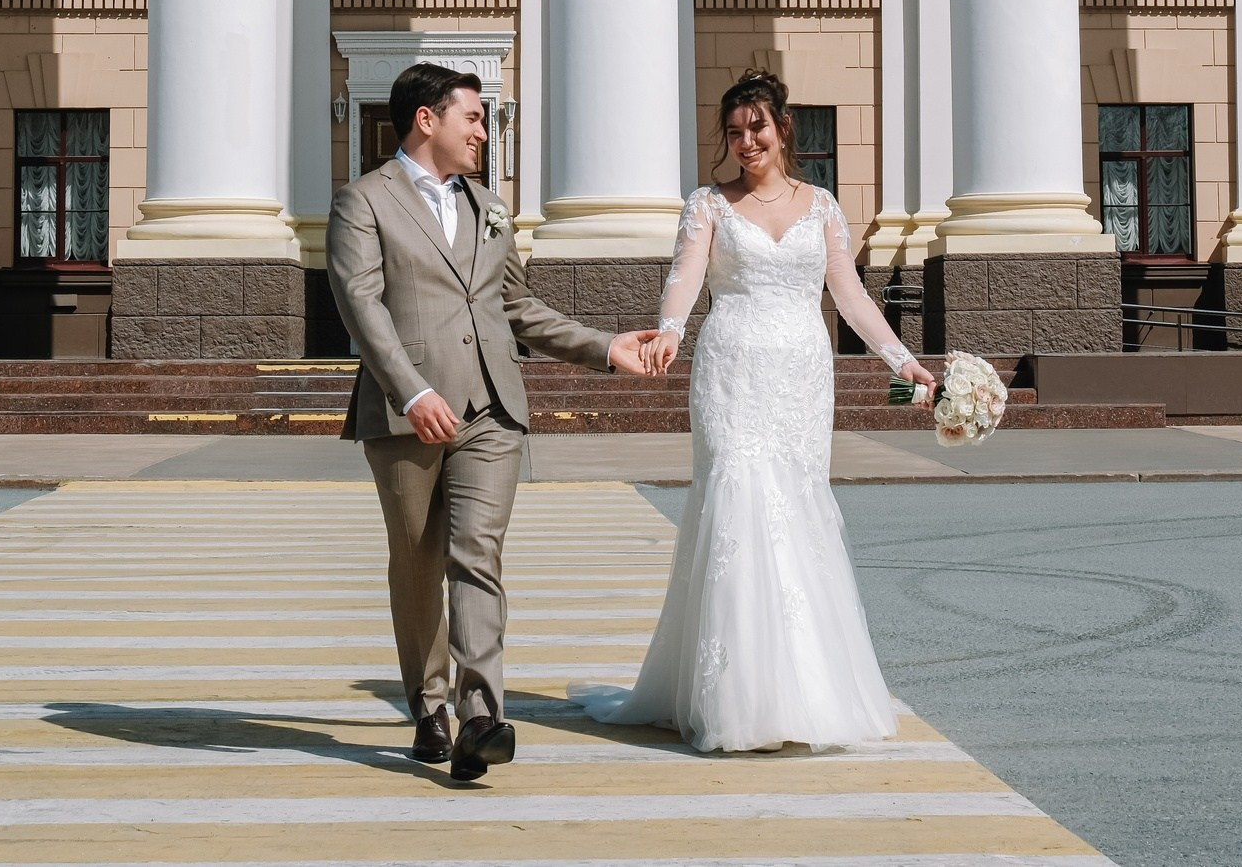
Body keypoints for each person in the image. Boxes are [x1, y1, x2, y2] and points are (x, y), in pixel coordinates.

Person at [582, 68, 939, 752]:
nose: (747, 141)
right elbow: (685, 275)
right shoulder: (708, 204)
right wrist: (670, 330)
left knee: (797, 506)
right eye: (736, 131)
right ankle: (734, 697)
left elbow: (853, 298)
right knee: (737, 500)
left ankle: (804, 690)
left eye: (759, 127)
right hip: (732, 366)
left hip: (803, 372)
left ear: (783, 130)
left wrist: (904, 361)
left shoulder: (824, 206)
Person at [328, 62, 663, 782]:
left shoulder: (489, 205)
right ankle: (429, 705)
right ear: (427, 118)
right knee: (417, 563)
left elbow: (517, 308)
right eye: (473, 118)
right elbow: (361, 303)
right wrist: (413, 392)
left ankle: (481, 715)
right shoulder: (364, 201)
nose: (484, 130)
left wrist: (604, 347)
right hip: (405, 414)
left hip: (491, 411)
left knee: (476, 553)